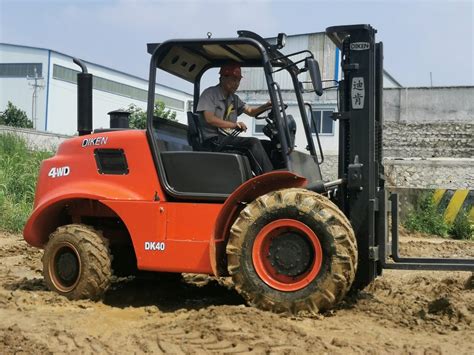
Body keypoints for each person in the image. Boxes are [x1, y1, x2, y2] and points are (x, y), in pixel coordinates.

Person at [196, 63, 273, 174]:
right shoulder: (209, 94)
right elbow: (209, 119)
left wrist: (266, 105)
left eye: (238, 81)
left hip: (226, 139)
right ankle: (268, 178)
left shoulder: (234, 98)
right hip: (212, 141)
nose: (236, 84)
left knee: (266, 145)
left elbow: (251, 112)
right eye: (233, 80)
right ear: (222, 78)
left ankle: (267, 175)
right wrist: (234, 125)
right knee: (252, 143)